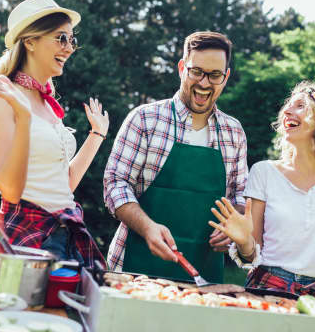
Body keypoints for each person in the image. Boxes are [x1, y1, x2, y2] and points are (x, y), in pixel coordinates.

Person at [0, 0, 108, 267]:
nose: (69, 48)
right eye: (61, 38)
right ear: (30, 41)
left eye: (71, 40)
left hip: (66, 232)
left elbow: (62, 185)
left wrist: (96, 136)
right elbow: (10, 190)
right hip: (29, 236)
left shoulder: (48, 104)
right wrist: (23, 116)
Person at [104, 31, 248, 283]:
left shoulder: (233, 132)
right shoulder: (145, 119)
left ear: (225, 77)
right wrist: (148, 228)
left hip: (203, 277)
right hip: (133, 269)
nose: (204, 83)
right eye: (196, 71)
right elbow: (115, 184)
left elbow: (239, 197)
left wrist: (232, 229)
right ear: (182, 68)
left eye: (214, 75)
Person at [209, 81, 315, 301]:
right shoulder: (263, 172)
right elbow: (252, 255)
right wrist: (244, 241)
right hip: (268, 286)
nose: (287, 111)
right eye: (288, 106)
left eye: (300, 106)